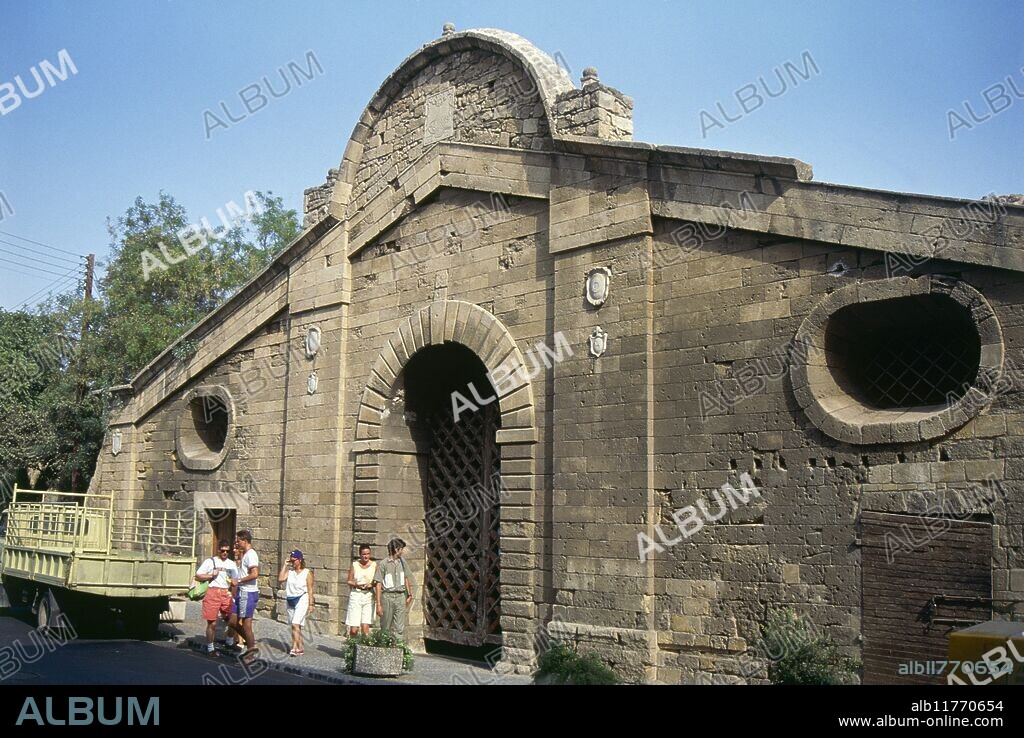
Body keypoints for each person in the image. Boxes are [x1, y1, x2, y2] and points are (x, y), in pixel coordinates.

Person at [194, 540, 239, 655]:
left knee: (233, 619)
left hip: (226, 593)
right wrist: (211, 575)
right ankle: (210, 648)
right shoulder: (210, 561)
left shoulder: (231, 564)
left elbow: (235, 580)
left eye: (227, 551)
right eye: (222, 550)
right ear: (218, 550)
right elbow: (198, 575)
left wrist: (234, 591)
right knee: (212, 623)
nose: (225, 553)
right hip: (212, 592)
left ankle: (229, 642)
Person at [228, 530, 260, 664]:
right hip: (241, 592)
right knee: (232, 621)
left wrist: (239, 581)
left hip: (248, 592)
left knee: (246, 624)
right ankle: (250, 645)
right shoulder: (245, 555)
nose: (236, 543)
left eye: (238, 541)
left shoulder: (251, 555)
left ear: (244, 540)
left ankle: (251, 650)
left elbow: (254, 574)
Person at [374, 538, 413, 638]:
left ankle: (398, 648)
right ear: (396, 549)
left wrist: (409, 594)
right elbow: (378, 583)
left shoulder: (403, 563)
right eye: (401, 549)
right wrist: (378, 604)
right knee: (385, 625)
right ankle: (384, 648)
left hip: (400, 596)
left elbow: (406, 578)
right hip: (387, 596)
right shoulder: (383, 564)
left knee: (399, 627)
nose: (403, 551)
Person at [278, 549, 314, 656]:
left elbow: (310, 589)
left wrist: (311, 604)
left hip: (302, 598)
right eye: (291, 561)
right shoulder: (290, 572)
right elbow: (280, 579)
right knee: (295, 626)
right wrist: (285, 565)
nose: (293, 563)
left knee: (295, 623)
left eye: (294, 561)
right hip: (291, 599)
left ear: (300, 560)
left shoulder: (307, 573)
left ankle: (294, 648)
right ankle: (300, 646)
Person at [345, 544, 377, 636]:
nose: (366, 556)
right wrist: (357, 584)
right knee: (354, 628)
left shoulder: (374, 565)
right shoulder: (355, 565)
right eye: (363, 554)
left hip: (368, 595)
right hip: (356, 595)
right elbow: (349, 581)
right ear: (360, 554)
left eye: (367, 554)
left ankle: (363, 648)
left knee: (365, 626)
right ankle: (352, 647)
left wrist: (371, 584)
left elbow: (377, 582)